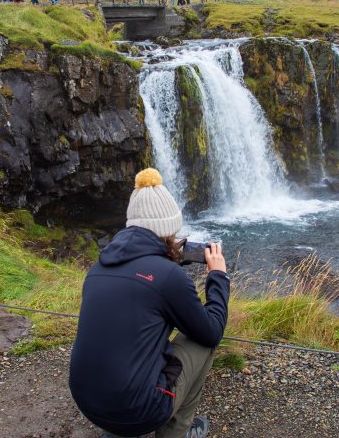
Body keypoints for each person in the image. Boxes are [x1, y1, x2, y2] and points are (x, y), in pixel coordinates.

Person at [69, 168, 230, 438]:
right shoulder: (169, 276)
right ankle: (178, 430)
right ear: (169, 228)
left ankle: (114, 430)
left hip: (87, 402)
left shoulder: (97, 268)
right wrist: (218, 277)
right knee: (202, 341)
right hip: (138, 411)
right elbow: (211, 330)